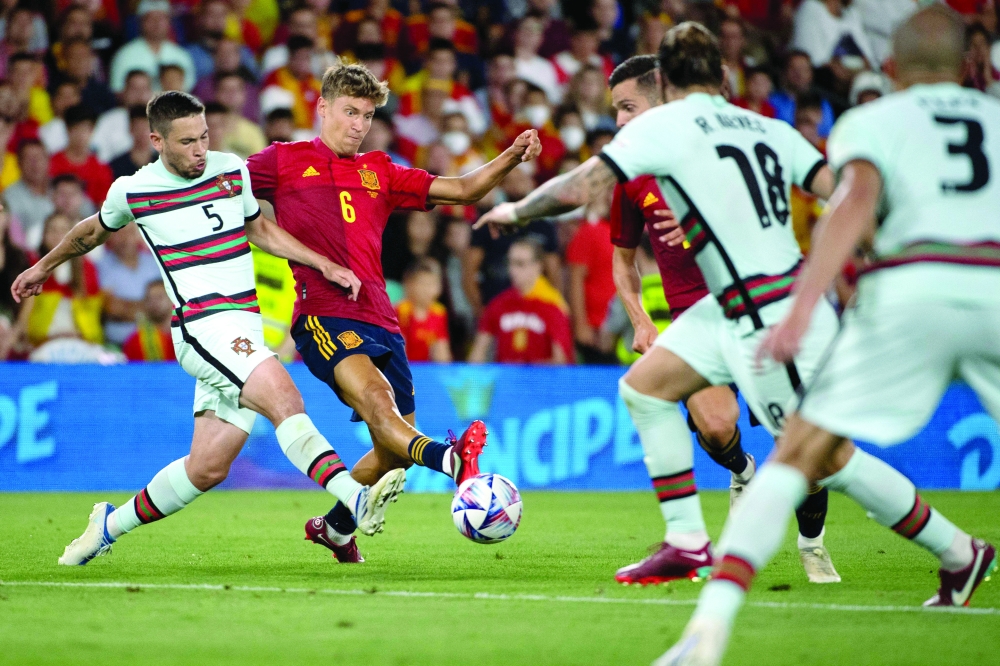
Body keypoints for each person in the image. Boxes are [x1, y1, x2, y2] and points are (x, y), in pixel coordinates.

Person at [660, 8, 999, 665]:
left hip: (912, 291)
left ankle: (707, 635)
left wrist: (801, 305)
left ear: (892, 69)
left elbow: (853, 202)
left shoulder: (871, 120)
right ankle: (961, 556)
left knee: (797, 457)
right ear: (970, 67)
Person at [477, 23, 844, 589]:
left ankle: (813, 543)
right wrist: (643, 321)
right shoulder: (630, 172)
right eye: (614, 109)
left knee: (818, 457)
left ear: (664, 95)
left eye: (628, 106)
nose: (619, 120)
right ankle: (731, 489)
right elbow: (622, 260)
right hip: (698, 314)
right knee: (712, 424)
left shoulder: (723, 142)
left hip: (765, 306)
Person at [11, 91, 405, 566]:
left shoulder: (228, 168)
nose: (200, 150)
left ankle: (107, 525)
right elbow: (90, 231)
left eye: (204, 137)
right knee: (285, 398)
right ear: (157, 140)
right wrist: (43, 267)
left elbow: (259, 231)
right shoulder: (133, 190)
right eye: (187, 142)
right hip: (201, 327)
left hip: (243, 331)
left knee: (208, 466)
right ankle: (353, 498)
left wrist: (323, 263)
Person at [245, 61, 541, 563]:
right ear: (322, 108)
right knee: (382, 409)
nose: (358, 125)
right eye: (350, 112)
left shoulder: (379, 170)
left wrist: (511, 157)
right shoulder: (282, 161)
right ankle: (453, 461)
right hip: (323, 315)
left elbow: (464, 189)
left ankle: (335, 529)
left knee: (391, 451)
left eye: (367, 115)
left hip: (382, 321)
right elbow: (218, 184)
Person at [468, 237, 573, 365]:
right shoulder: (499, 303)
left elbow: (561, 362)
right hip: (506, 381)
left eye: (520, 264)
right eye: (510, 263)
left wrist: (525, 370)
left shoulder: (553, 305)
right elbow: (479, 351)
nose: (513, 270)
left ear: (537, 266)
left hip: (540, 382)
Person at [95, 220, 161, 347]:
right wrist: (151, 309)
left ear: (138, 235)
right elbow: (110, 308)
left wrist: (126, 307)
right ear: (110, 236)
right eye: (119, 233)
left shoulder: (154, 263)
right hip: (117, 344)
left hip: (157, 341)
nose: (125, 238)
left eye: (130, 232)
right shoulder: (101, 266)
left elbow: (167, 305)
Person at [109, 0, 196, 93]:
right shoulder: (125, 55)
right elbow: (117, 91)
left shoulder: (181, 55)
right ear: (140, 22)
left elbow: (188, 91)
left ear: (169, 22)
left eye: (161, 18)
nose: (157, 23)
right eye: (150, 18)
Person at [49, 104, 113, 206]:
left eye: (85, 129)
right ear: (67, 129)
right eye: (76, 129)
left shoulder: (101, 169)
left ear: (92, 131)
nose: (80, 135)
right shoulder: (51, 163)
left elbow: (103, 206)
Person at [396, 258, 451, 363]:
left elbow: (442, 347)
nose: (427, 290)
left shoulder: (439, 313)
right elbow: (398, 350)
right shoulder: (400, 310)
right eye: (423, 283)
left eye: (432, 284)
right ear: (409, 284)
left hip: (427, 371)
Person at [3, 139, 55, 251]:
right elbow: (14, 241)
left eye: (39, 157)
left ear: (48, 160)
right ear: (18, 164)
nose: (35, 163)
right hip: (29, 257)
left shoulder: (61, 188)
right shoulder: (10, 197)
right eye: (29, 159)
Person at [121, 281, 176, 362]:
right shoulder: (136, 341)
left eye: (159, 297)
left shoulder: (189, 334)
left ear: (173, 299)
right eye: (149, 298)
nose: (154, 302)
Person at [110, 106, 158, 179]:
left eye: (146, 128)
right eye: (138, 128)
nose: (143, 133)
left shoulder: (164, 165)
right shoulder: (116, 166)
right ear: (130, 129)